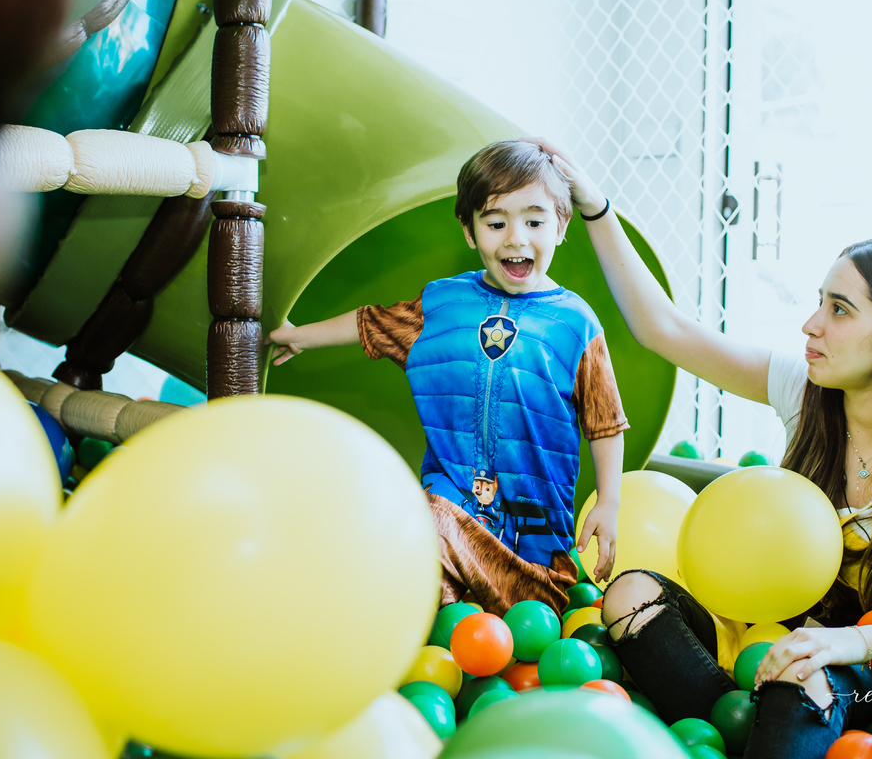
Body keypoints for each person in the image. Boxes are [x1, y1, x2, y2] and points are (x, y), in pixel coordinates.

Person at [539, 142, 872, 758]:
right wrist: (595, 206)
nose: (811, 323)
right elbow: (662, 329)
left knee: (800, 670)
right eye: (818, 302)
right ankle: (740, 726)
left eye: (839, 310)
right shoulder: (802, 392)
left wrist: (857, 645)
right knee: (628, 597)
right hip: (767, 632)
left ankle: (778, 717)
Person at [264, 140, 628, 617]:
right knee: (417, 531)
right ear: (469, 231)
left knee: (424, 537)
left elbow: (605, 420)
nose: (516, 238)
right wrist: (299, 336)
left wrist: (610, 501)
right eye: (496, 223)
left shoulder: (576, 324)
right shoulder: (441, 305)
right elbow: (372, 322)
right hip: (445, 523)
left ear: (561, 226)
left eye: (534, 222)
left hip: (531, 561)